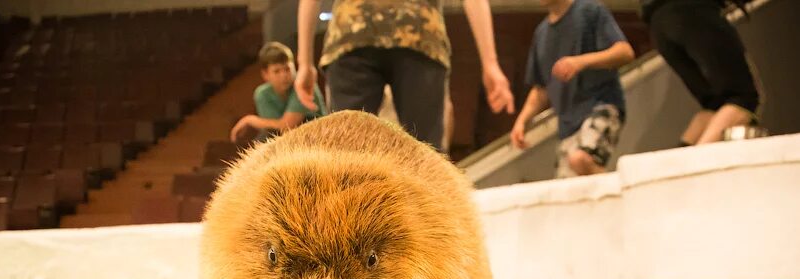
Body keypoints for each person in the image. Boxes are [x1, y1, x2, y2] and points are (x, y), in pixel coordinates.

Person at [294, 0, 514, 151]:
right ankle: (431, 217)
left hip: (353, 33)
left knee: (344, 154)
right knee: (426, 153)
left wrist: (304, 62)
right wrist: (490, 63)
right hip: (418, 32)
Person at [511, 0, 635, 178]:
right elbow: (541, 89)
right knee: (570, 190)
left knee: (581, 159)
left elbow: (624, 52)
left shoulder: (590, 11)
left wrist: (580, 62)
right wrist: (522, 121)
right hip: (568, 126)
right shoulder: (541, 33)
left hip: (601, 106)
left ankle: (618, 189)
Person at [639, 0, 759, 146]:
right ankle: (698, 162)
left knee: (716, 104)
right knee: (743, 97)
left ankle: (680, 164)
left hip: (658, 24)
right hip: (694, 12)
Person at [230, 42, 326, 143]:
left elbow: (287, 127)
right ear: (265, 74)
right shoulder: (263, 94)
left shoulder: (303, 85)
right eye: (277, 71)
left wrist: (250, 120)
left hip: (317, 138)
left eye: (287, 69)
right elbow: (274, 131)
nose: (284, 75)